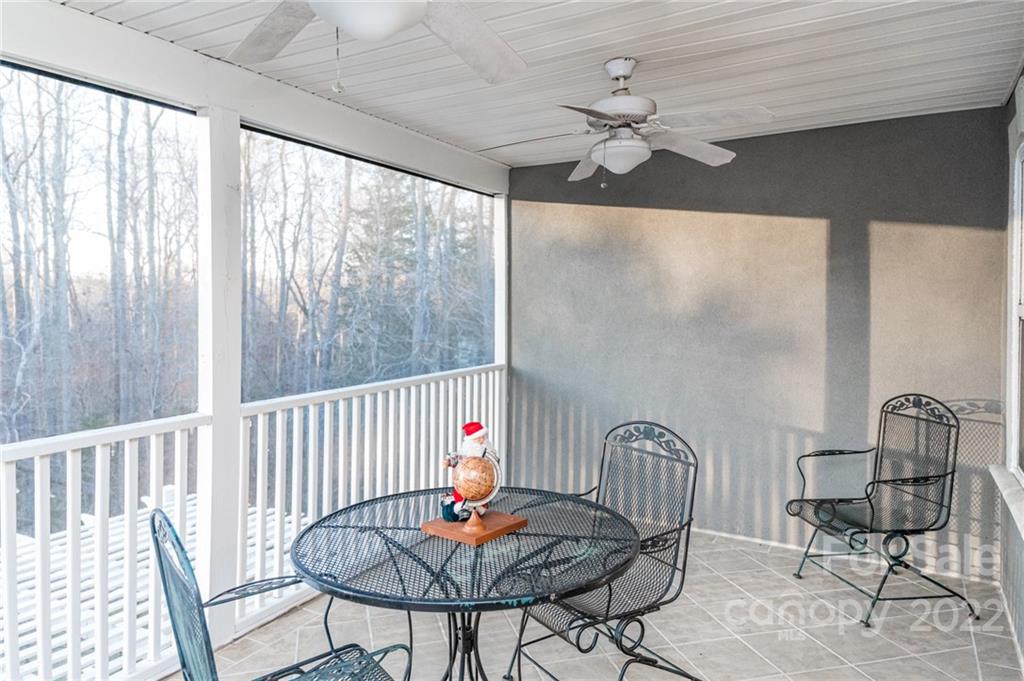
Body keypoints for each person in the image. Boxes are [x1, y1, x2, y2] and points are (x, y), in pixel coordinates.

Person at [440, 422, 500, 521]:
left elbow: (495, 461)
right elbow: (455, 457)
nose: (482, 440)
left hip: (482, 487)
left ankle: (475, 510)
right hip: (465, 485)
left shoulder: (488, 452)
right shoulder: (466, 454)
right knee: (457, 503)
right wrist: (448, 461)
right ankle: (461, 508)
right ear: (470, 441)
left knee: (479, 501)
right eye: (478, 438)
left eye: (483, 437)